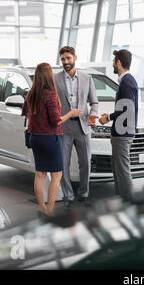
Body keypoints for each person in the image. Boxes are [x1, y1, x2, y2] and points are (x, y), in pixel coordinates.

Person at [21, 63, 81, 216]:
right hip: (50, 139)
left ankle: (42, 208)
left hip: (35, 137)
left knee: (40, 174)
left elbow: (25, 113)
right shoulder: (50, 94)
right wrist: (71, 113)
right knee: (57, 174)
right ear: (49, 76)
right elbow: (56, 121)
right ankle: (50, 210)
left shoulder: (31, 94)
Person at [54, 46, 99, 209]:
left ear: (75, 58)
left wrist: (93, 114)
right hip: (64, 127)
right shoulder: (55, 78)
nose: (66, 62)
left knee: (85, 162)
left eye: (68, 58)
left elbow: (94, 102)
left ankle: (84, 193)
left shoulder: (87, 78)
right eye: (63, 59)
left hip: (83, 126)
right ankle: (68, 195)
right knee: (63, 163)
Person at [99, 49, 138, 202]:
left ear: (119, 63)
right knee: (119, 170)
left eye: (114, 62)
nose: (113, 65)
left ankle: (128, 203)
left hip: (123, 133)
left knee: (122, 170)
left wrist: (108, 117)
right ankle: (122, 201)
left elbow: (126, 109)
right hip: (122, 132)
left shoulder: (127, 82)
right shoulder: (127, 81)